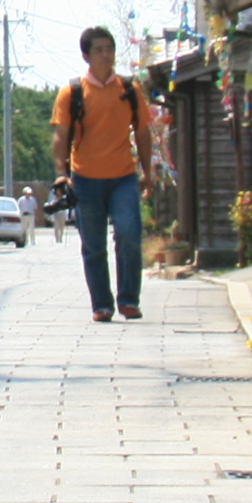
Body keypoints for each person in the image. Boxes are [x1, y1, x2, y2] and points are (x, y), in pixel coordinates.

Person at [56, 25, 152, 322]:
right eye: (99, 50)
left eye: (109, 49)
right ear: (86, 56)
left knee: (129, 234)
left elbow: (144, 132)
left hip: (123, 175)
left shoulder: (128, 89)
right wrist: (62, 173)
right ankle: (102, 304)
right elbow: (60, 137)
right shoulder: (71, 92)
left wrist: (148, 171)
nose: (106, 55)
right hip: (85, 178)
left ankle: (128, 300)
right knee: (94, 244)